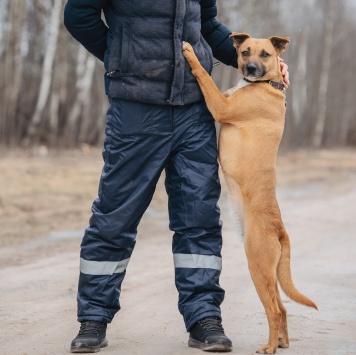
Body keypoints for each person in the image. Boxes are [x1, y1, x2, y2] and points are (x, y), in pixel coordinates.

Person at [64, 0, 289, 353]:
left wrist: (262, 65)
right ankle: (93, 318)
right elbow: (78, 16)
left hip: (193, 111)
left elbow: (208, 24)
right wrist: (119, 57)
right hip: (136, 109)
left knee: (199, 217)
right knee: (115, 216)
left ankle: (204, 318)